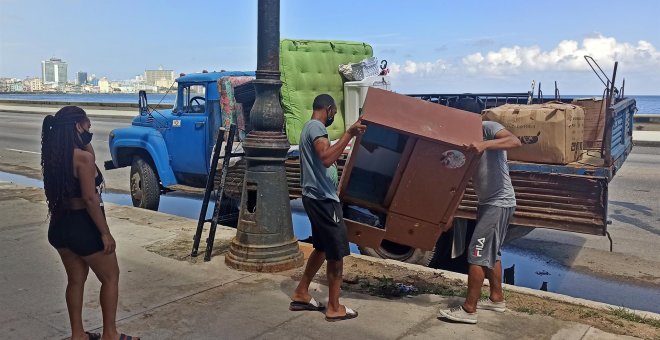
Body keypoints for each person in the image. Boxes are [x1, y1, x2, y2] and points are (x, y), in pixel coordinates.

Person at [41, 106, 139, 340]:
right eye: (87, 125)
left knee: (75, 280)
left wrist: (82, 140)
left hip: (59, 225)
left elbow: (89, 158)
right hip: (82, 226)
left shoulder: (55, 155)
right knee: (110, 278)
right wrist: (105, 233)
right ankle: (110, 335)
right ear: (77, 126)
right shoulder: (82, 159)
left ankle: (78, 335)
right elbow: (90, 198)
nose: (90, 128)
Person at [290, 94, 366, 322]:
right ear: (329, 109)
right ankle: (334, 307)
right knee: (336, 254)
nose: (334, 116)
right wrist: (349, 134)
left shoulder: (310, 128)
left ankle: (301, 292)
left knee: (322, 248)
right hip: (323, 202)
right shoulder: (316, 127)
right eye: (334, 113)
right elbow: (325, 157)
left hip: (316, 198)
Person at [438, 120, 522, 324]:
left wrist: (484, 144)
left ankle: (469, 310)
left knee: (477, 253)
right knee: (493, 253)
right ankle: (496, 299)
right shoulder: (461, 142)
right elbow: (460, 181)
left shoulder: (489, 128)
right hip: (487, 203)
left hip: (499, 203)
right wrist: (451, 213)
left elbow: (515, 141)